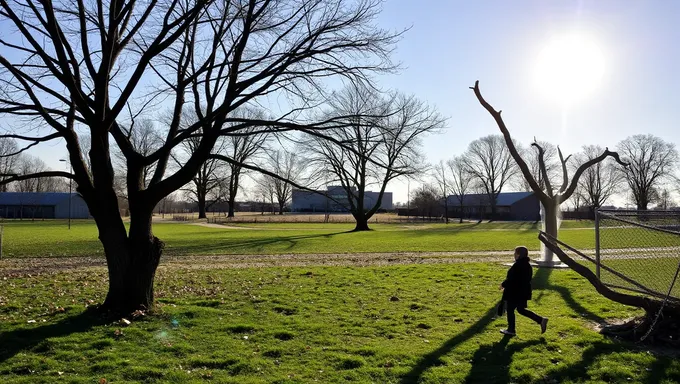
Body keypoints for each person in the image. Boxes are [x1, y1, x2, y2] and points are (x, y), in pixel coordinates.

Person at [499, 246, 548, 336]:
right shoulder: (527, 265)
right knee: (521, 309)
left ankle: (511, 330)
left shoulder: (518, 265)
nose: (514, 255)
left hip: (515, 292)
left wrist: (503, 284)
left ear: (518, 254)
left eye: (515, 253)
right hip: (524, 291)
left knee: (510, 309)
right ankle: (540, 320)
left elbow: (512, 279)